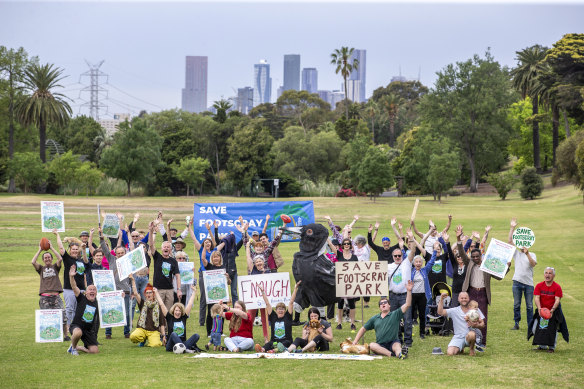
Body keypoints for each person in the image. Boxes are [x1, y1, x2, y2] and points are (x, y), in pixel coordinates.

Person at [457, 225, 509, 345]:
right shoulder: (469, 263)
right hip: (471, 292)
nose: (475, 258)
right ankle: (470, 340)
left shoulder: (487, 265)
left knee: (483, 318)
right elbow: (461, 252)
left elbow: (499, 277)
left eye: (477, 256)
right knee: (470, 316)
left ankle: (482, 342)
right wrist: (458, 238)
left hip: (483, 294)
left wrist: (507, 266)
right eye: (473, 257)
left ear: (481, 256)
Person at [352, 280, 413, 359]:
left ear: (389, 306)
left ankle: (401, 354)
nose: (383, 304)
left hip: (393, 342)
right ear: (379, 307)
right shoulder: (375, 318)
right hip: (380, 344)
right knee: (372, 345)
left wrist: (408, 291)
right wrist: (355, 341)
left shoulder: (395, 314)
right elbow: (363, 329)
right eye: (381, 303)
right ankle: (391, 354)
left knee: (397, 346)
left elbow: (407, 304)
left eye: (385, 303)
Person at [188, 219, 225, 327]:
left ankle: (215, 318)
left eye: (209, 242)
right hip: (203, 275)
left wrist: (210, 230)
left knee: (215, 297)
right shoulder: (200, 249)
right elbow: (194, 238)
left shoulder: (215, 250)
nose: (207, 243)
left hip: (214, 276)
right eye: (205, 242)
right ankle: (201, 322)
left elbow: (219, 243)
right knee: (204, 298)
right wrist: (189, 227)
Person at [99, 227, 132, 339]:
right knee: (110, 310)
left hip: (125, 290)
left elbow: (132, 278)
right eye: (119, 253)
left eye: (122, 252)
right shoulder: (111, 259)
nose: (121, 254)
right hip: (112, 291)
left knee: (126, 313)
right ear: (116, 253)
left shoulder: (128, 261)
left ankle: (126, 332)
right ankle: (108, 333)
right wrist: (101, 238)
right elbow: (104, 248)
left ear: (125, 253)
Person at [54, 230, 85, 341]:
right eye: (73, 250)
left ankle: (76, 329)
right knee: (70, 309)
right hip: (69, 289)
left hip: (81, 289)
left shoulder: (81, 261)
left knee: (78, 310)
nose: (75, 251)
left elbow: (83, 276)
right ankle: (68, 330)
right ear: (70, 250)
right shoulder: (68, 259)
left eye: (77, 250)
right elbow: (61, 248)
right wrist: (58, 235)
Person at [254, 281, 301, 353]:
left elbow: (291, 302)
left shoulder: (288, 317)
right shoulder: (273, 317)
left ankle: (273, 351)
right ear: (276, 310)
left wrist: (295, 289)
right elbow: (267, 303)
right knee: (269, 344)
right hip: (275, 342)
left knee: (285, 343)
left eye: (282, 309)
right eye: (279, 309)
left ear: (285, 311)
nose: (281, 311)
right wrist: (262, 291)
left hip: (286, 342)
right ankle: (262, 350)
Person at [32, 239, 66, 335]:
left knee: (63, 316)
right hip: (45, 297)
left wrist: (51, 248)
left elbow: (60, 259)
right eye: (45, 258)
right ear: (43, 260)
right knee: (46, 318)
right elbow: (33, 262)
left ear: (51, 258)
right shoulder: (41, 269)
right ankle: (48, 335)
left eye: (49, 257)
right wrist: (40, 250)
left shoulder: (55, 267)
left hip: (56, 296)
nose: (47, 259)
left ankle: (66, 336)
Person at [153, 284, 201, 353]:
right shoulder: (169, 317)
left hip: (183, 343)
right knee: (173, 334)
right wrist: (156, 293)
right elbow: (161, 304)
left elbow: (190, 304)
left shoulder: (183, 317)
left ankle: (184, 349)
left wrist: (194, 292)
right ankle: (185, 349)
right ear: (173, 311)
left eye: (179, 311)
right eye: (176, 310)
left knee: (196, 336)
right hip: (171, 345)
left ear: (182, 312)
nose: (177, 312)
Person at [508, 218, 537, 330]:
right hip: (517, 282)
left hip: (529, 283)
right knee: (516, 305)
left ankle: (530, 324)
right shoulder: (516, 254)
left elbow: (533, 264)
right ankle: (516, 323)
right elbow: (510, 242)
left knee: (529, 306)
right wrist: (512, 228)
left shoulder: (532, 254)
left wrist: (528, 253)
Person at [530, 267, 567, 352]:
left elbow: (557, 299)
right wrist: (539, 309)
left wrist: (552, 310)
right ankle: (542, 346)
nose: (547, 275)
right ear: (544, 275)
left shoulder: (557, 287)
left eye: (550, 273)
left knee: (553, 329)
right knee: (536, 328)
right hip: (542, 311)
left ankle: (551, 347)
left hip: (553, 311)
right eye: (546, 273)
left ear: (553, 275)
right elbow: (537, 298)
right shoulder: (539, 285)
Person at [388, 232, 414, 350]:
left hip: (405, 295)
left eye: (399, 255)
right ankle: (397, 338)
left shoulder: (406, 263)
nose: (398, 257)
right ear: (392, 257)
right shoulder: (389, 266)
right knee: (395, 319)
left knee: (407, 319)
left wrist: (412, 239)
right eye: (396, 256)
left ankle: (408, 340)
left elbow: (413, 252)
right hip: (393, 295)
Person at [438, 291, 485, 356]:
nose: (464, 299)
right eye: (462, 298)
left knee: (471, 334)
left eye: (465, 298)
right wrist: (441, 299)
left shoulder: (475, 310)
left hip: (470, 336)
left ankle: (471, 349)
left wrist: (477, 325)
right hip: (458, 337)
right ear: (458, 299)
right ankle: (461, 348)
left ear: (468, 298)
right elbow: (440, 312)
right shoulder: (454, 310)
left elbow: (483, 324)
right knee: (450, 353)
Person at [148, 221, 182, 312]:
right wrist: (151, 231)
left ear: (170, 249)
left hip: (169, 290)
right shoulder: (157, 257)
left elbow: (178, 276)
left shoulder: (173, 261)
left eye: (168, 247)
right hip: (158, 289)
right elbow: (151, 245)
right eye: (164, 247)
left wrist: (178, 290)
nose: (166, 248)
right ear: (162, 248)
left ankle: (166, 327)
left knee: (168, 312)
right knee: (157, 311)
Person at [66, 266, 100, 356]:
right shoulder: (81, 298)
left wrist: (121, 295)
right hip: (77, 326)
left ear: (96, 293)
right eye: (90, 290)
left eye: (94, 290)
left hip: (88, 331)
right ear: (86, 292)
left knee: (95, 351)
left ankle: (76, 347)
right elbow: (74, 286)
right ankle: (73, 349)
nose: (92, 291)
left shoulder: (97, 302)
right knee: (78, 333)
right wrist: (71, 276)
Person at [129, 281, 166, 347]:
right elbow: (136, 293)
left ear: (153, 294)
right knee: (133, 336)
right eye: (147, 293)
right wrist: (133, 280)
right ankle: (142, 339)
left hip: (153, 330)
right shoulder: (142, 303)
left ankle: (151, 339)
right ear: (145, 295)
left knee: (156, 345)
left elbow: (162, 322)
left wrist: (163, 336)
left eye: (150, 292)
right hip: (142, 329)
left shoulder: (158, 306)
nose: (148, 294)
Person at [410, 250, 436, 340]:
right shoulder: (410, 271)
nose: (418, 263)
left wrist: (435, 251)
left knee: (422, 315)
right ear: (413, 263)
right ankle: (408, 333)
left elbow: (432, 261)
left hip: (422, 296)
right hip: (412, 295)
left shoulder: (425, 270)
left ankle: (422, 333)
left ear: (422, 263)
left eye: (419, 262)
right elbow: (406, 259)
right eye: (416, 262)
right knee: (410, 315)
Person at [335, 238, 358, 331]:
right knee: (340, 304)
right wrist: (327, 240)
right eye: (345, 243)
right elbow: (332, 248)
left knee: (352, 304)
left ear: (350, 245)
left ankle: (352, 323)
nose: (347, 245)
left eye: (348, 243)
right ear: (342, 245)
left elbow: (358, 269)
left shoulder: (354, 257)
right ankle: (339, 323)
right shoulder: (339, 255)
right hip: (341, 282)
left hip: (351, 282)